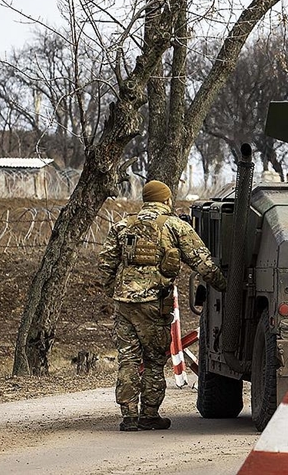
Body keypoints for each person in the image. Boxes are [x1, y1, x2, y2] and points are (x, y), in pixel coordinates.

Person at [98, 180, 226, 431]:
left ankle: (128, 417)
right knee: (155, 360)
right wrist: (224, 286)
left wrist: (116, 291)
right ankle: (148, 414)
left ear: (146, 200)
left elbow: (105, 266)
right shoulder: (175, 226)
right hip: (154, 305)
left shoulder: (123, 226)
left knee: (128, 359)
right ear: (166, 200)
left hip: (123, 304)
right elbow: (202, 263)